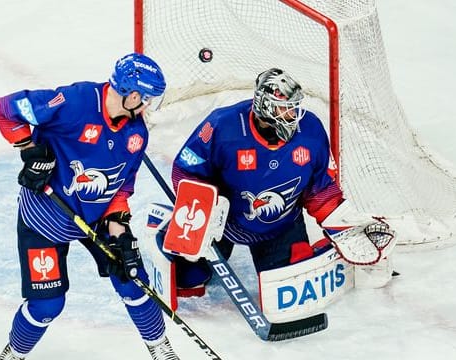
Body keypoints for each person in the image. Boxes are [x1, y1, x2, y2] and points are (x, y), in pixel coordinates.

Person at [0, 53, 179, 360]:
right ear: (132, 95)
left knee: (133, 280)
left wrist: (120, 233)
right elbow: (3, 110)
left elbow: (120, 189)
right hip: (45, 218)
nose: (148, 108)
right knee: (47, 306)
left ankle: (162, 351)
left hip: (95, 219)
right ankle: (12, 355)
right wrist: (30, 149)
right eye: (147, 100)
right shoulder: (74, 103)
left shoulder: (136, 135)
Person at [166, 68, 394, 297]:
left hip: (281, 227)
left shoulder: (311, 130)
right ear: (265, 106)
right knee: (187, 280)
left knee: (292, 285)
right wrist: (203, 213)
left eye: (294, 108)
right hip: (224, 223)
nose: (293, 115)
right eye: (285, 108)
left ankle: (310, 250)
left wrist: (343, 225)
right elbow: (186, 169)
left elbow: (320, 189)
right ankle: (175, 246)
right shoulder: (222, 125)